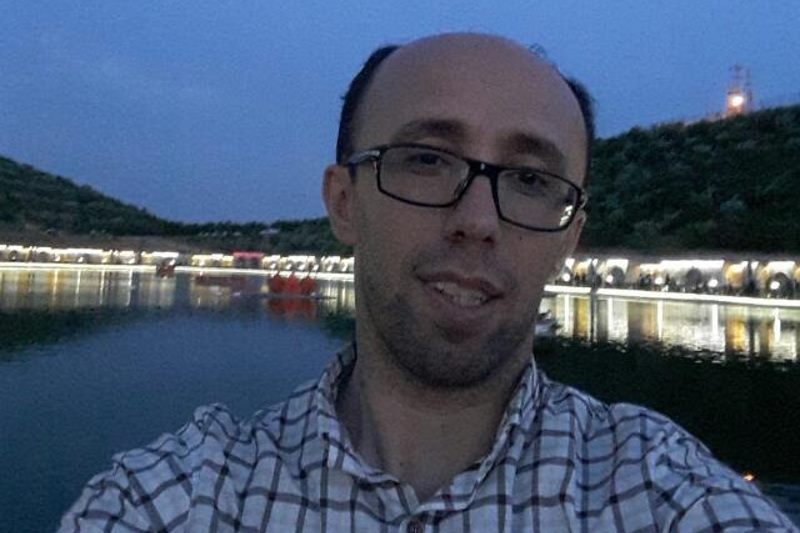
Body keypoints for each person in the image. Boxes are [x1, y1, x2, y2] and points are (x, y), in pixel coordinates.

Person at [59, 33, 797, 532]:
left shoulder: (666, 494)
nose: (477, 220)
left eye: (530, 179)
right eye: (426, 161)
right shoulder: (175, 500)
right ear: (344, 203)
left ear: (569, 236)